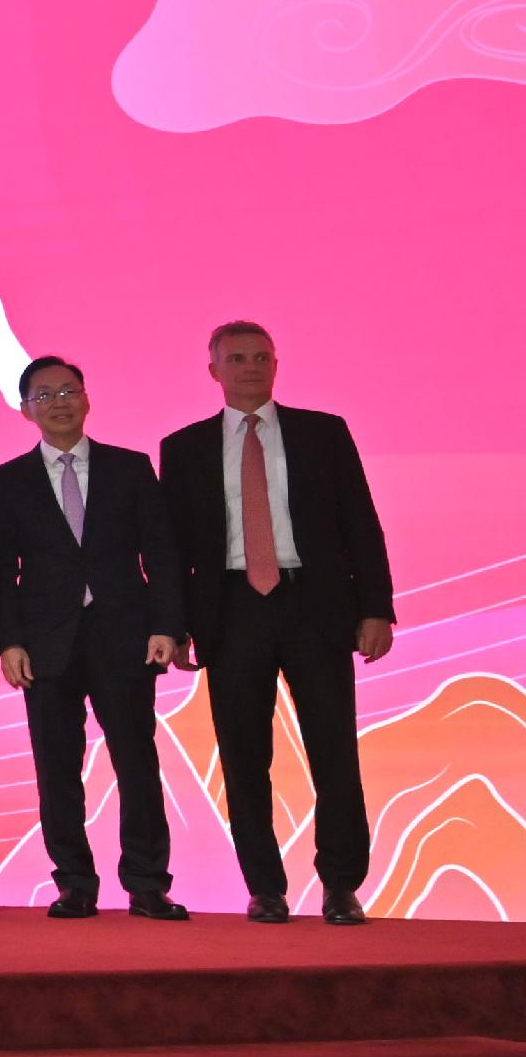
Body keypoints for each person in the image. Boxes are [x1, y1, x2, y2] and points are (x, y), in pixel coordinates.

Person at [159, 321, 393, 926]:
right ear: (213, 370)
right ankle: (265, 888)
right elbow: (172, 548)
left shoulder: (323, 433)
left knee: (334, 749)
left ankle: (341, 885)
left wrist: (375, 608)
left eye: (261, 356)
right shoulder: (182, 448)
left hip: (314, 605)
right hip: (231, 610)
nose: (250, 367)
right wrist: (178, 624)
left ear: (276, 363)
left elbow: (360, 524)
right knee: (242, 756)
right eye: (236, 358)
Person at [0, 356, 188, 920]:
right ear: (26, 409)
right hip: (44, 642)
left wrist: (167, 627)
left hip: (124, 635)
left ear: (87, 398)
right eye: (44, 395)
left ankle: (147, 883)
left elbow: (162, 554)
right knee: (56, 767)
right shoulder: (6, 481)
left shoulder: (130, 468)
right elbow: (1, 570)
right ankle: (74, 882)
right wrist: (9, 641)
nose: (59, 402)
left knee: (137, 763)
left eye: (68, 391)